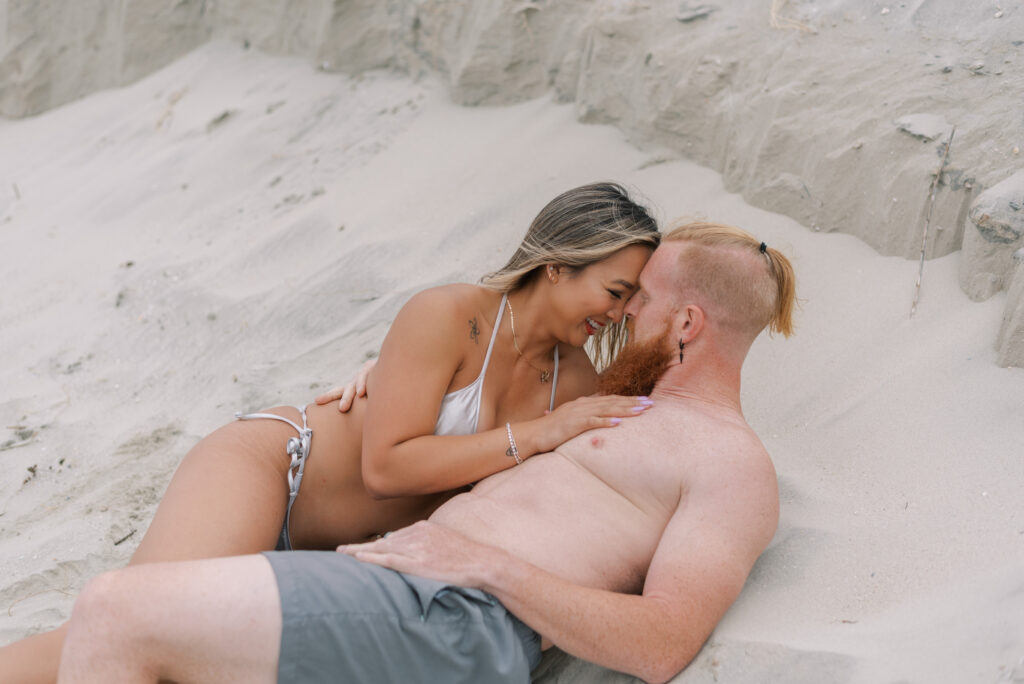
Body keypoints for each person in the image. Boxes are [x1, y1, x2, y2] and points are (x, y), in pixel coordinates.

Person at [55, 221, 797, 683]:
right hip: (383, 584)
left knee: (115, 612)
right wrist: (395, 374)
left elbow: (665, 643)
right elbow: (497, 391)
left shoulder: (729, 463)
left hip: (454, 614)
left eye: (639, 304)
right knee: (131, 655)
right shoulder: (607, 401)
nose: (622, 313)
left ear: (689, 322)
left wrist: (489, 568)